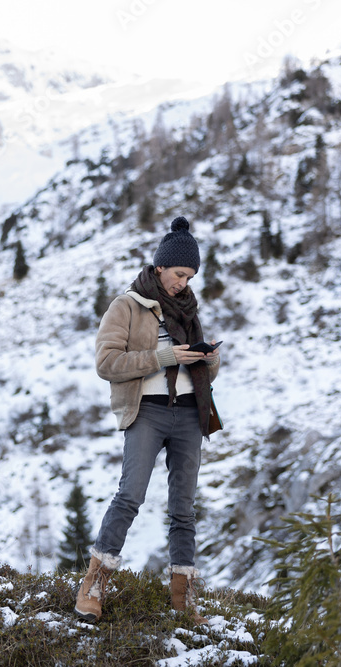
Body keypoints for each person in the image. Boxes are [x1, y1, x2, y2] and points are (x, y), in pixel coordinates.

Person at [75, 216, 220, 625]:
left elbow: (203, 368)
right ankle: (93, 586)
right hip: (148, 412)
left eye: (190, 276)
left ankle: (184, 599)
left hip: (191, 414)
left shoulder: (189, 309)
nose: (184, 283)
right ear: (159, 267)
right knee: (130, 497)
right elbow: (107, 363)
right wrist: (167, 357)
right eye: (179, 273)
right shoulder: (126, 305)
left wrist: (209, 360)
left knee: (184, 509)